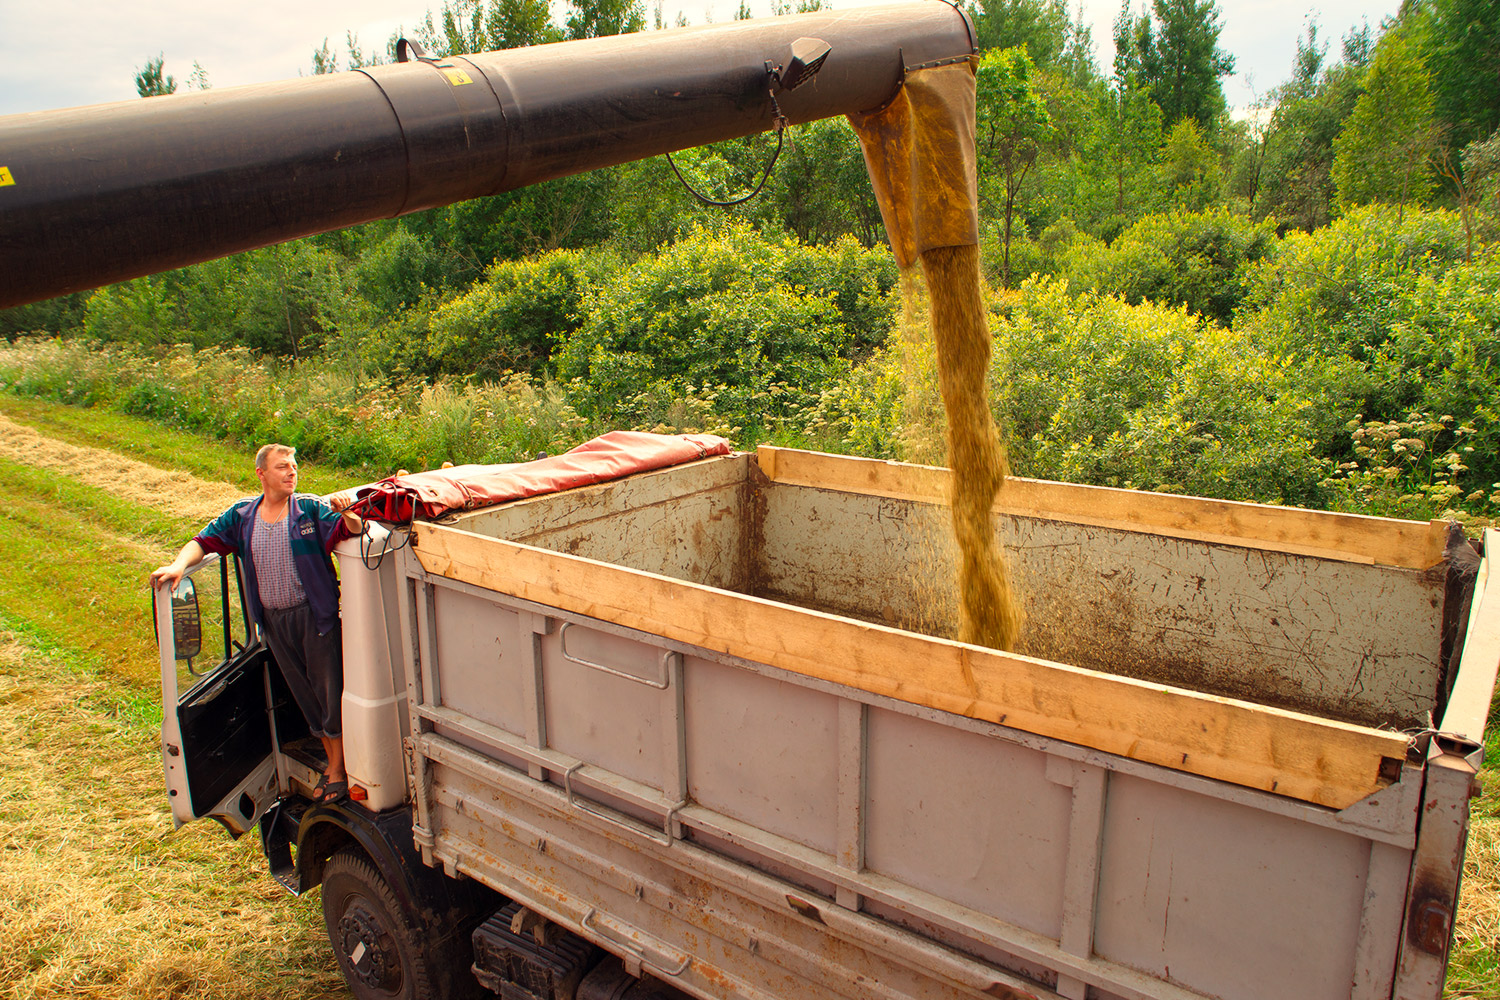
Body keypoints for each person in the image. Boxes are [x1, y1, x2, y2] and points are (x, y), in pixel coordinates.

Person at [152, 444, 363, 803]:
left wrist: (349, 515)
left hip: (314, 619)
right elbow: (203, 541)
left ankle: (338, 770)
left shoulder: (310, 508)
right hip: (274, 623)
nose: (291, 472)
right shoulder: (242, 516)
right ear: (261, 474)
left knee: (329, 692)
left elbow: (350, 530)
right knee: (306, 695)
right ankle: (331, 761)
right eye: (282, 467)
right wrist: (177, 566)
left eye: (294, 466)